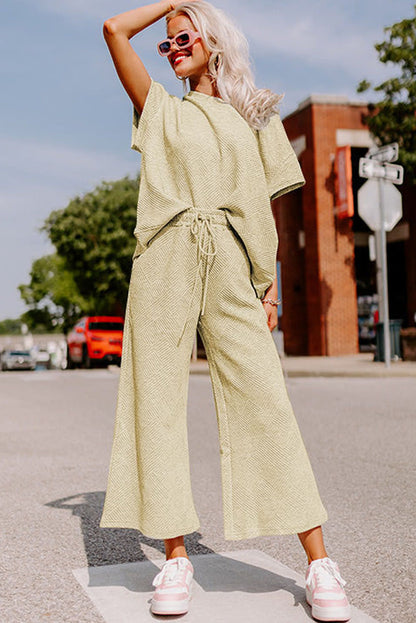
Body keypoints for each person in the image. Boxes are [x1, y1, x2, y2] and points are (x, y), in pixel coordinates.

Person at [99, 1, 351, 620]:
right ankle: (175, 557)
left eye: (182, 38)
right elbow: (112, 29)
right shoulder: (158, 108)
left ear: (212, 41)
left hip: (236, 267)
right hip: (164, 261)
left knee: (266, 403)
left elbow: (267, 209)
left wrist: (268, 285)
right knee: (155, 403)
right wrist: (170, 5)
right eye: (166, 44)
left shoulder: (258, 114)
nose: (172, 48)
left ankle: (320, 563)